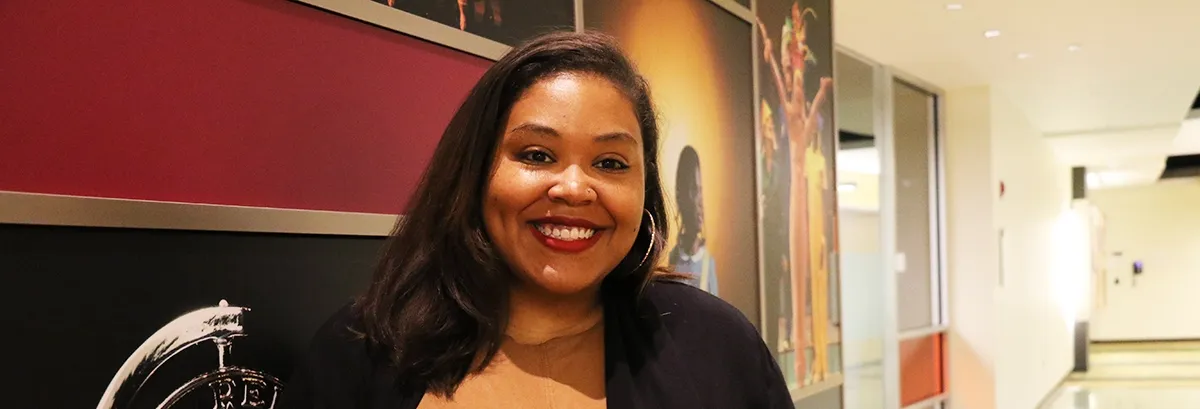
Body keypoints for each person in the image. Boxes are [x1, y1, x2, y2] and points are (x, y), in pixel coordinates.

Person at [276, 31, 793, 409]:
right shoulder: (364, 349)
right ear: (475, 171)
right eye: (537, 155)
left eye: (610, 163)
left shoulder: (715, 345)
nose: (573, 188)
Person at [756, 2, 832, 385]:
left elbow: (809, 94)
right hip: (794, 198)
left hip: (804, 200)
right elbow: (784, 78)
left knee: (805, 276)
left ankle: (806, 361)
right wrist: (772, 53)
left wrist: (817, 88)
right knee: (796, 273)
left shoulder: (801, 114)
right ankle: (800, 362)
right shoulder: (788, 107)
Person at [668, 146, 719, 296]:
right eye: (694, 191)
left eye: (700, 191)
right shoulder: (673, 258)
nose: (700, 202)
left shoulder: (707, 263)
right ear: (681, 197)